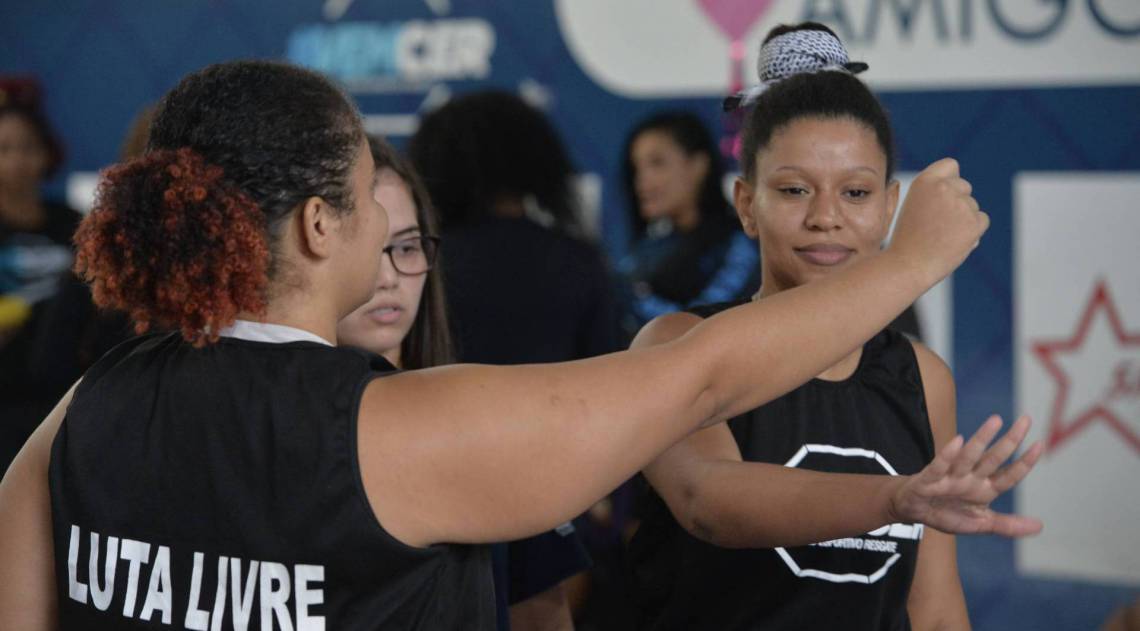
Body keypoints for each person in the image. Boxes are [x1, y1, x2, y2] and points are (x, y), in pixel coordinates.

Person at [0, 60, 1030, 631]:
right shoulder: (399, 428)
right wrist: (908, 260)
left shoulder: (83, 408)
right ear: (321, 226)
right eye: (366, 195)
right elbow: (701, 376)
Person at [628, 22, 991, 630]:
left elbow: (932, 607)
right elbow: (709, 501)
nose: (826, 218)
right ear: (747, 205)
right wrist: (891, 498)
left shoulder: (922, 378)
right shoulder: (674, 345)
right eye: (794, 189)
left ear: (889, 207)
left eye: (855, 192)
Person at [408, 91, 606, 629]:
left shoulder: (424, 262)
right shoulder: (579, 262)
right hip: (562, 489)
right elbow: (611, 381)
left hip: (435, 479)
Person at [616, 111, 759, 341]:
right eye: (637, 168)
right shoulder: (642, 255)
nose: (643, 181)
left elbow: (705, 325)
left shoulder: (743, 244)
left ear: (699, 165)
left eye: (657, 163)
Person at [0, 79, 81, 472]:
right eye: (3, 150)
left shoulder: (72, 223)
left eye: (27, 147)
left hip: (65, 400)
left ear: (46, 153)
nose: (16, 161)